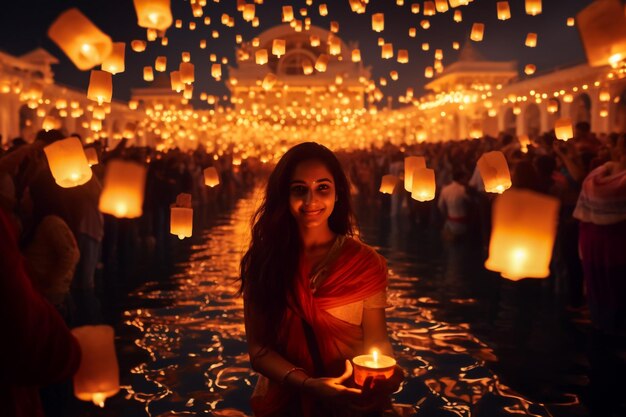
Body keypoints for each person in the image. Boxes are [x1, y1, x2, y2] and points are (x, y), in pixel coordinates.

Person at [239, 142, 403, 417]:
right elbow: (259, 350)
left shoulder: (365, 263)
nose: (311, 201)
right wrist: (309, 385)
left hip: (352, 403)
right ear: (284, 195)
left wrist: (388, 370)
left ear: (338, 193)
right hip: (285, 402)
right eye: (299, 189)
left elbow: (378, 340)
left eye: (322, 188)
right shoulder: (265, 261)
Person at [573, 133, 626, 335]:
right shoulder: (609, 177)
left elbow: (584, 205)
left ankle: (601, 322)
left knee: (597, 282)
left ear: (617, 149)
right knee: (617, 283)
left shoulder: (595, 176)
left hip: (592, 238)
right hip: (617, 240)